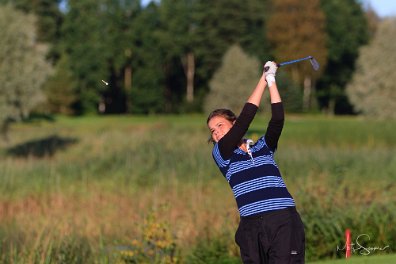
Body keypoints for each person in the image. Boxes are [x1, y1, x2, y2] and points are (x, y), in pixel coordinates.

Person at [207, 61, 305, 264]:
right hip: (251, 226)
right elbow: (246, 119)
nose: (216, 132)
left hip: (283, 219)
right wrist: (262, 79)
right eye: (213, 131)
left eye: (220, 126)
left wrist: (271, 80)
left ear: (232, 124)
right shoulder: (221, 154)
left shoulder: (263, 147)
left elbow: (277, 120)